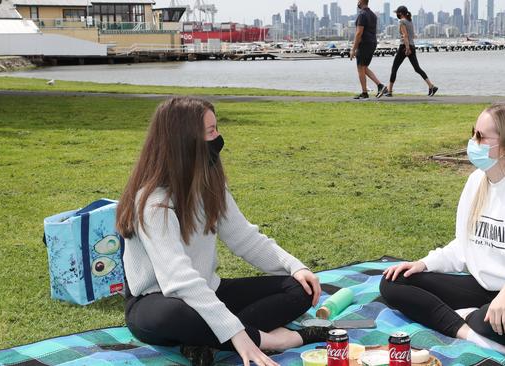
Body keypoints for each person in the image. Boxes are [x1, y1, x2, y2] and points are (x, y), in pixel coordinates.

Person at [116, 97, 327, 366]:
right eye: (211, 131)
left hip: (207, 291)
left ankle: (204, 341)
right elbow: (176, 278)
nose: (218, 137)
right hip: (157, 301)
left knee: (301, 289)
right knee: (173, 316)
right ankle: (273, 339)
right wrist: (241, 335)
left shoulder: (209, 182)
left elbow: (246, 239)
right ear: (185, 141)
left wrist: (295, 266)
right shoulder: (154, 200)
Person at [380, 103, 505, 355]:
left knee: (489, 320)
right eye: (474, 132)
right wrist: (424, 264)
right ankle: (467, 332)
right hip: (487, 290)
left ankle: (462, 321)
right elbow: (464, 246)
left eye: (481, 137)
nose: (472, 141)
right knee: (393, 282)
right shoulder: (477, 180)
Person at [378, 6, 438, 98]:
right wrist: (410, 46)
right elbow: (413, 36)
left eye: (397, 13)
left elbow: (405, 35)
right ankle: (431, 86)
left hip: (404, 47)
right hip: (412, 46)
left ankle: (389, 91)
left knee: (394, 68)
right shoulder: (410, 21)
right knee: (417, 68)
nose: (397, 15)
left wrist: (407, 48)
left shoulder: (402, 21)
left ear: (401, 13)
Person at [350, 0, 385, 100]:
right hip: (372, 43)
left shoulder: (362, 15)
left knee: (360, 67)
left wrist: (353, 49)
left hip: (364, 43)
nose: (357, 2)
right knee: (364, 67)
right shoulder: (373, 15)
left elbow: (358, 33)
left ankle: (365, 93)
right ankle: (380, 86)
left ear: (361, 1)